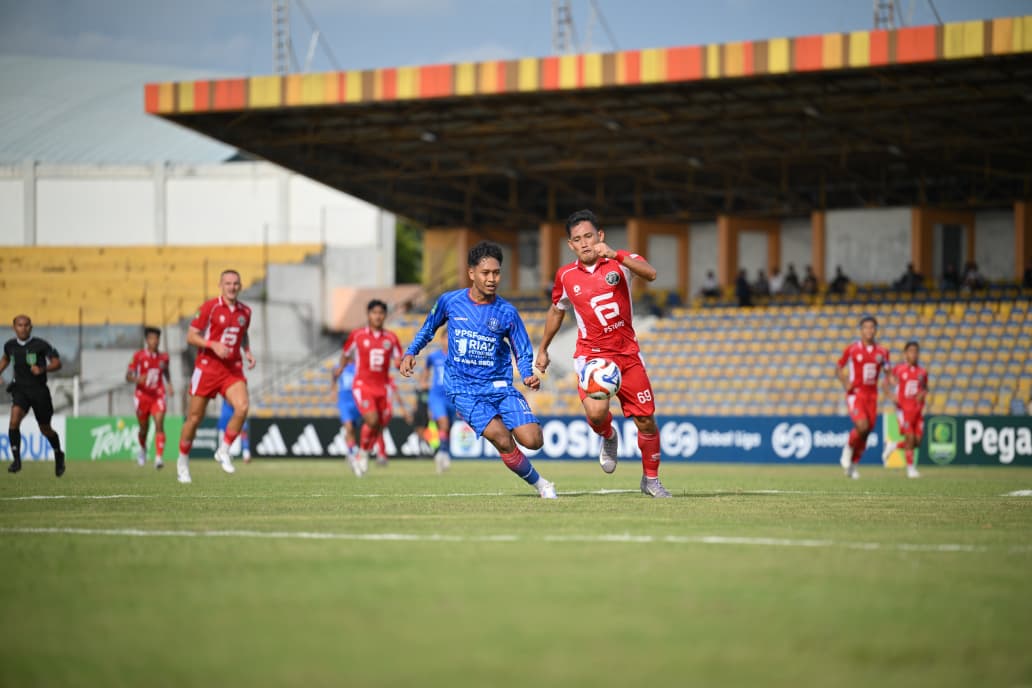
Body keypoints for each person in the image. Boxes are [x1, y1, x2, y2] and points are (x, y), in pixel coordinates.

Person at [400, 241, 556, 499]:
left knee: (533, 440)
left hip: (499, 386)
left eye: (496, 273)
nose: (492, 278)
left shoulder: (507, 312)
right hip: (463, 389)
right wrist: (411, 352)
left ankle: (520, 441)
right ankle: (542, 485)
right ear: (471, 273)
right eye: (486, 273)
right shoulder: (450, 302)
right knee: (502, 439)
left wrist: (527, 373)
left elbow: (522, 348)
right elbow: (428, 328)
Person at [536, 209, 672, 498]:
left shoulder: (620, 262)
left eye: (588, 236)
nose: (584, 243)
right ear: (570, 245)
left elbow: (651, 274)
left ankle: (651, 480)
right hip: (592, 356)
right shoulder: (565, 276)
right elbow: (556, 310)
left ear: (600, 236)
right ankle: (609, 436)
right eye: (577, 239)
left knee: (646, 420)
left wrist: (616, 254)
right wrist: (543, 348)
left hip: (628, 355)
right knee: (597, 415)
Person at [176, 269, 256, 484]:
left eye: (235, 283)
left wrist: (247, 352)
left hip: (232, 370)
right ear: (221, 285)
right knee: (194, 418)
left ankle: (224, 450)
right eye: (228, 283)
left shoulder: (245, 312)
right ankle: (182, 462)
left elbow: (243, 333)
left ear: (240, 286)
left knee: (243, 407)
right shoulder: (209, 308)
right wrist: (213, 344)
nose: (232, 287)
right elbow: (191, 336)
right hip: (207, 369)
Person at [332, 300, 403, 476]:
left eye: (381, 313)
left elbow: (398, 359)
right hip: (362, 385)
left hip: (382, 388)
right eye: (374, 312)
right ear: (368, 314)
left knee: (378, 424)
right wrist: (341, 368)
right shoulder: (357, 336)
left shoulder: (391, 338)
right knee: (371, 420)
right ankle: (361, 455)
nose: (377, 316)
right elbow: (345, 354)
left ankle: (361, 454)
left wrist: (402, 365)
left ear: (385, 315)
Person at [0, 315, 66, 476]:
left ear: (31, 327)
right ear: (14, 327)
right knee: (14, 420)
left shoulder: (40, 345)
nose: (23, 328)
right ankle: (16, 461)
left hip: (39, 392)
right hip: (20, 390)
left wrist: (42, 369)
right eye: (19, 325)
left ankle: (58, 454)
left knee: (45, 429)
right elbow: (6, 359)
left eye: (26, 325)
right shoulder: (10, 346)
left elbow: (57, 363)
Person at [836, 315, 891, 479]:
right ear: (861, 330)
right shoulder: (852, 349)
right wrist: (845, 382)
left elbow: (888, 370)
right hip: (856, 394)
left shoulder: (882, 352)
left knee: (866, 432)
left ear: (875, 330)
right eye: (866, 327)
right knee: (862, 426)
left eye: (872, 327)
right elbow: (838, 368)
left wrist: (890, 378)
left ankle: (853, 465)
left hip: (872, 396)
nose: (869, 330)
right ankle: (847, 449)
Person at [126, 326, 174, 469]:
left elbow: (166, 371)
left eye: (157, 338)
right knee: (143, 428)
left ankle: (159, 458)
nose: (155, 341)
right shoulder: (138, 356)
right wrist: (137, 379)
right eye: (152, 338)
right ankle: (143, 449)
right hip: (142, 396)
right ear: (147, 340)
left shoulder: (164, 357)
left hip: (158, 394)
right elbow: (127, 376)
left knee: (159, 423)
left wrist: (169, 384)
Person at [882, 341, 927, 479]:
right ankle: (911, 469)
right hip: (903, 409)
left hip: (918, 410)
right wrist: (891, 396)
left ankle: (893, 446)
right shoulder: (899, 369)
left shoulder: (922, 372)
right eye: (910, 351)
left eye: (915, 351)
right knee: (910, 437)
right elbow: (885, 383)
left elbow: (925, 388)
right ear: (905, 353)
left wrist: (922, 394)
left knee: (917, 442)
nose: (913, 354)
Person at [420, 333, 455, 473]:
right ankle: (442, 453)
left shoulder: (458, 356)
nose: (448, 341)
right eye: (446, 338)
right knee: (443, 423)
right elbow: (426, 369)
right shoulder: (434, 356)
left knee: (448, 428)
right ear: (441, 339)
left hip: (452, 397)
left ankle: (444, 451)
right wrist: (423, 381)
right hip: (437, 396)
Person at [334, 361, 361, 460]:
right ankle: (351, 452)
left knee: (355, 429)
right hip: (344, 401)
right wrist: (333, 388)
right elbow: (334, 375)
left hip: (356, 400)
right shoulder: (339, 365)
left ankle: (353, 449)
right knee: (349, 427)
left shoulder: (358, 365)